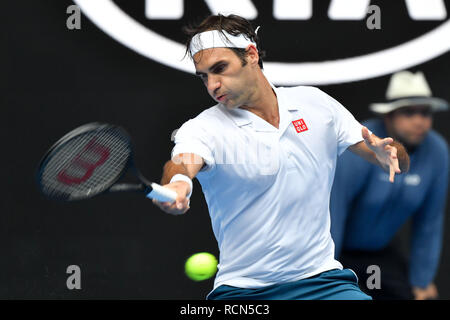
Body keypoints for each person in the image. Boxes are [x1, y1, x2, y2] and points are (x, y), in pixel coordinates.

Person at [152, 14, 409, 300]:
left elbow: (397, 159)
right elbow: (183, 163)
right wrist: (178, 184)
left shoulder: (315, 104)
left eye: (220, 69)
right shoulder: (203, 128)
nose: (213, 85)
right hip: (243, 293)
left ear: (250, 55)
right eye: (204, 76)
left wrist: (389, 153)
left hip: (324, 282)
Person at [330, 71, 449, 300]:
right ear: (388, 117)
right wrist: (326, 273)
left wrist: (422, 281)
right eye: (409, 112)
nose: (419, 121)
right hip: (340, 253)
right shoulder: (361, 144)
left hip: (382, 254)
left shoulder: (438, 152)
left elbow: (429, 223)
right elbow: (333, 211)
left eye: (425, 113)